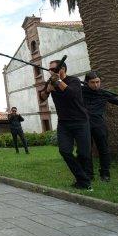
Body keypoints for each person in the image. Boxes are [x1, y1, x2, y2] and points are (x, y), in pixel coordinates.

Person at [39, 60, 92, 190]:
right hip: (64, 123)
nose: (50, 71)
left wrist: (58, 82)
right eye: (49, 69)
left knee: (84, 154)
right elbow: (42, 97)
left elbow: (72, 95)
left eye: (53, 68)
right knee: (64, 151)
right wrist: (48, 90)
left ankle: (83, 180)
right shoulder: (50, 82)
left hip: (80, 121)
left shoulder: (73, 81)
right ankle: (84, 179)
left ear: (62, 69)